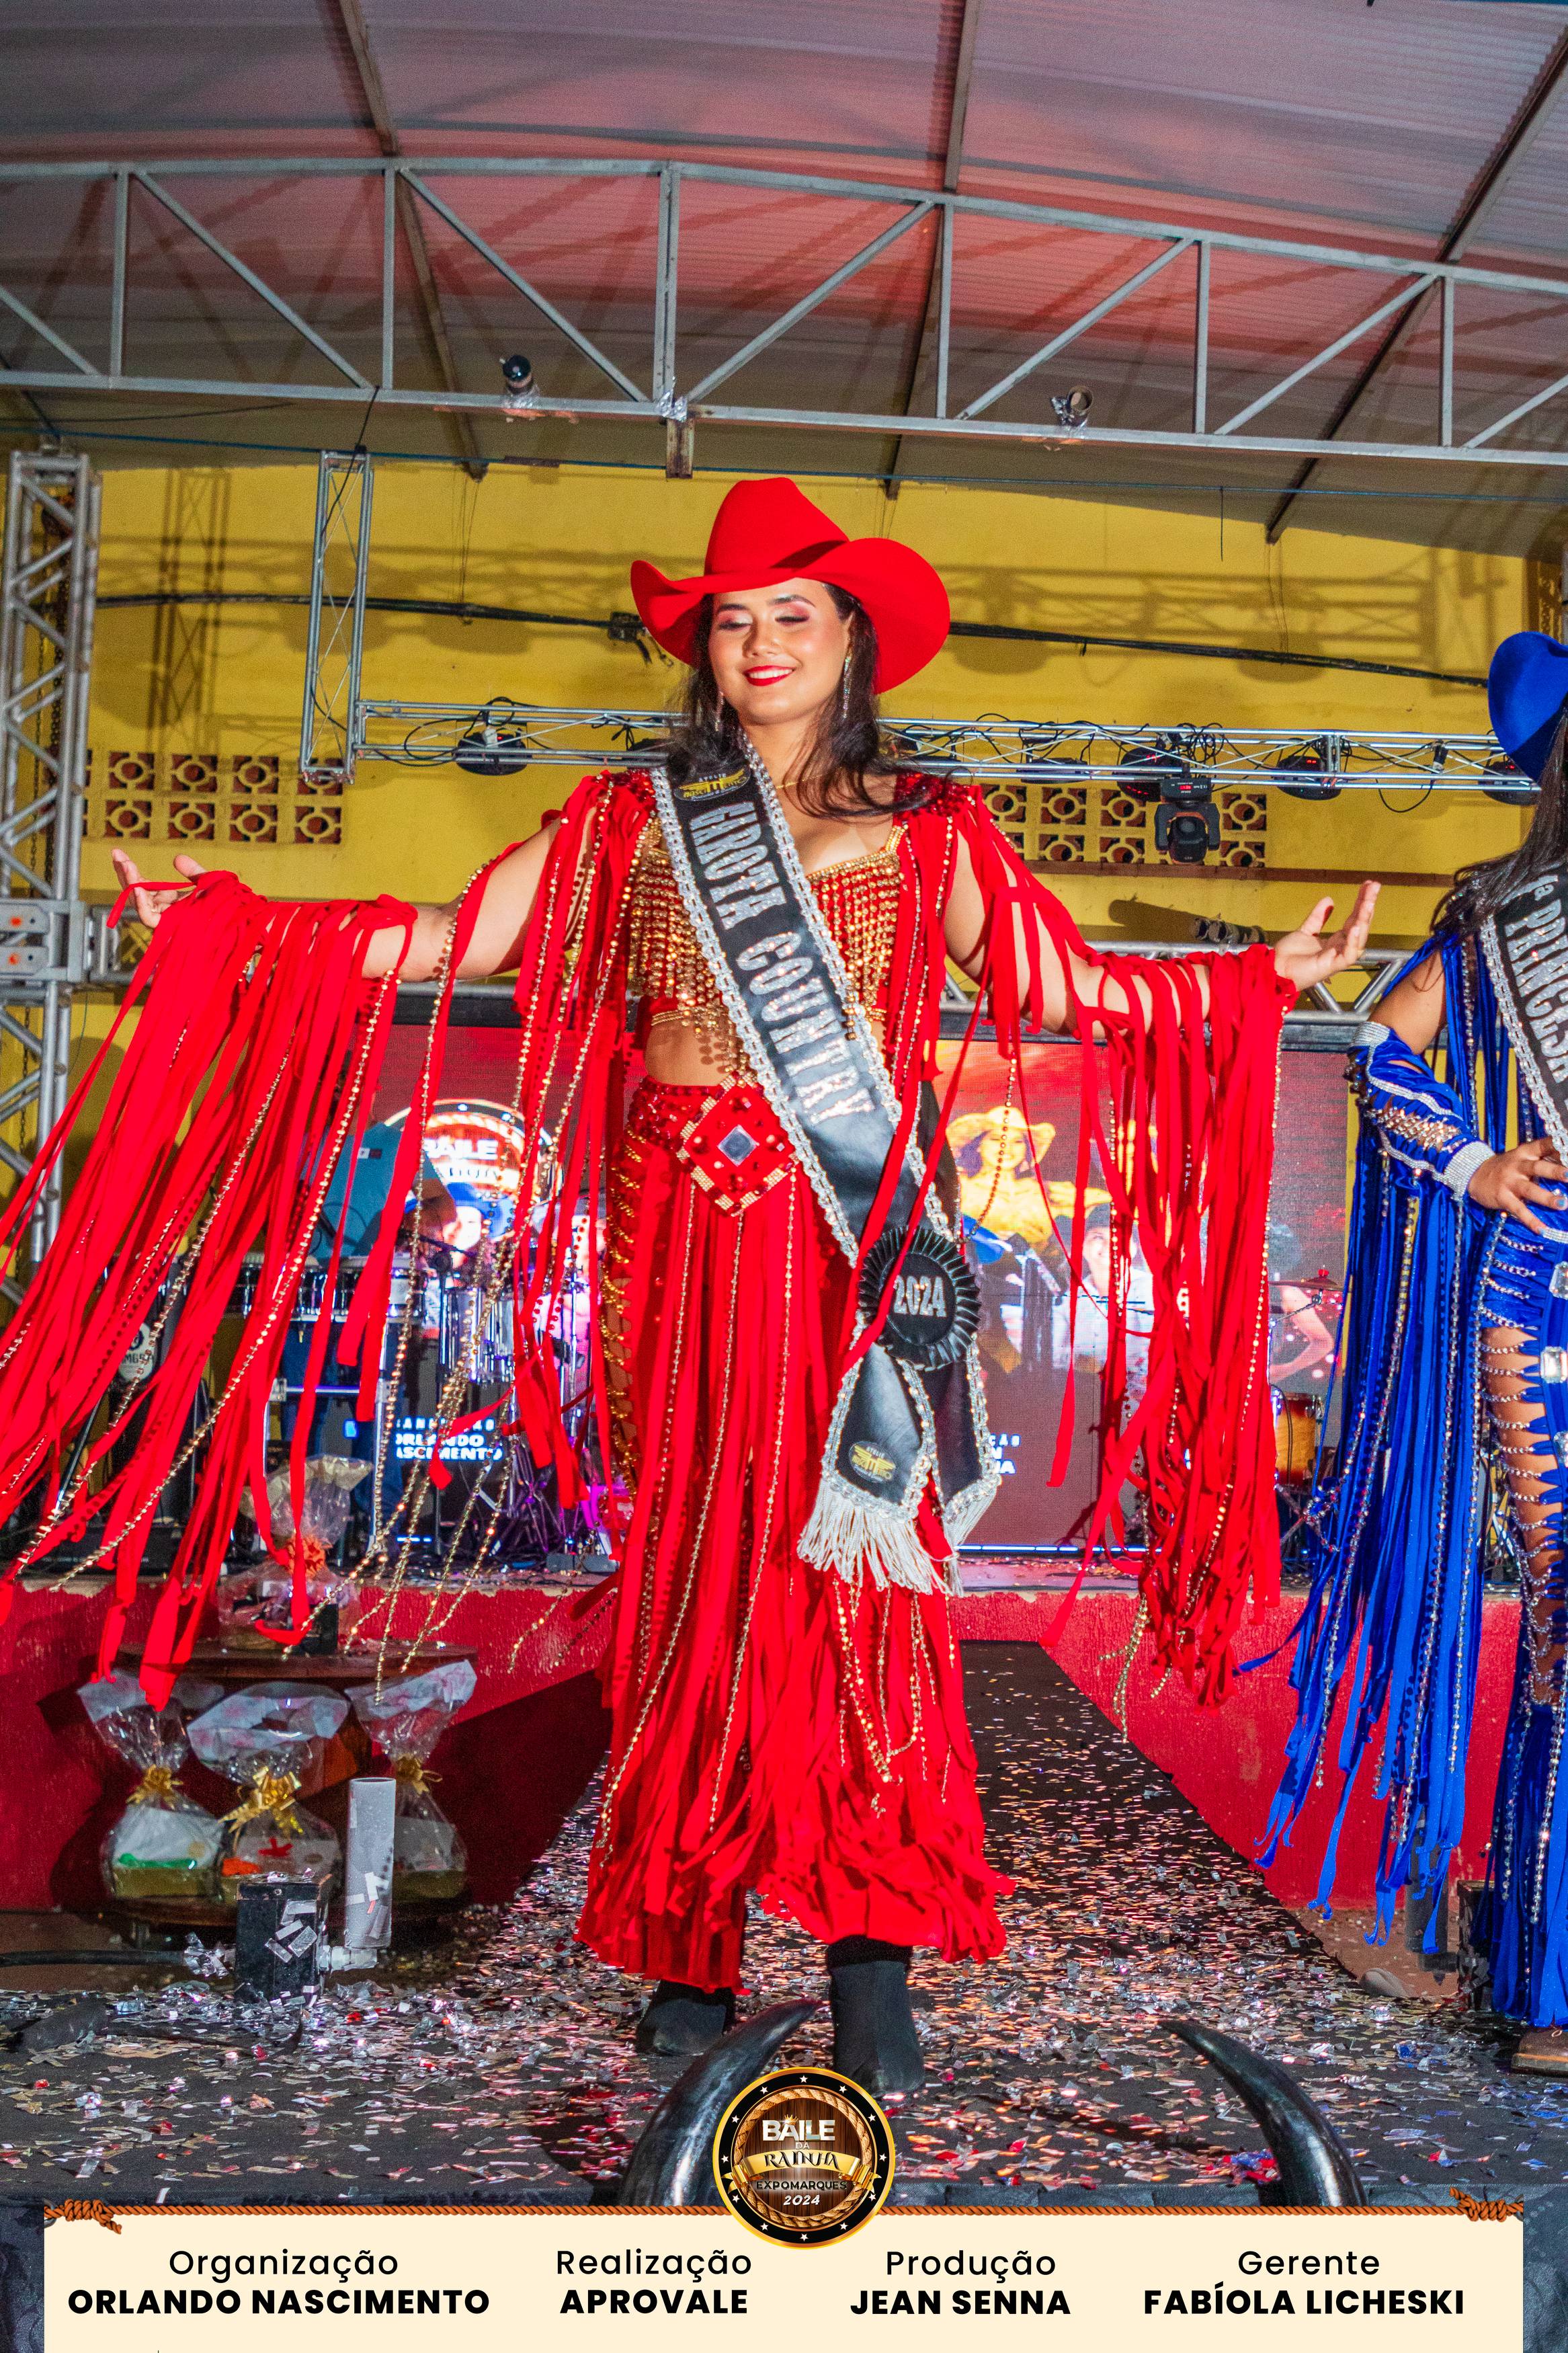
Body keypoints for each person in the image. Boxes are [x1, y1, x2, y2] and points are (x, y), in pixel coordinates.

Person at [30, 478, 1373, 2092]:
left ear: (853, 638)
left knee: (856, 1583)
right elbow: (455, 938)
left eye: (790, 614)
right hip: (681, 1238)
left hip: (848, 1244)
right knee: (696, 1588)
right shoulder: (629, 819)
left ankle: (872, 1952)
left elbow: (1064, 983)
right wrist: (240, 928)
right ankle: (687, 1937)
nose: (759, 643)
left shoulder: (932, 825)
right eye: (732, 620)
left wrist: (1256, 977)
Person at [1264, 627, 1568, 2075]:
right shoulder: (1504, 926)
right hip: (1549, 1303)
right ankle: (1556, 1987)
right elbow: (1384, 1051)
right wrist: (1473, 1165)